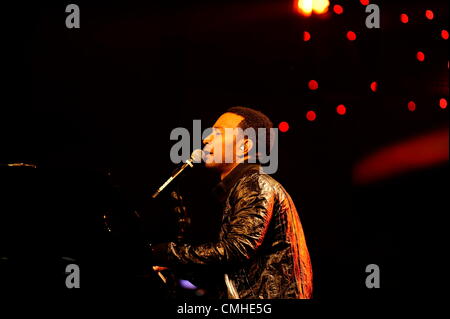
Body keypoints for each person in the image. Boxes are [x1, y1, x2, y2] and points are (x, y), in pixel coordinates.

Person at [151, 106, 313, 299]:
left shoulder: (255, 184)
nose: (206, 139)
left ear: (245, 146)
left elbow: (236, 249)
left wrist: (166, 253)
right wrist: (179, 269)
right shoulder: (243, 187)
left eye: (217, 133)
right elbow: (234, 272)